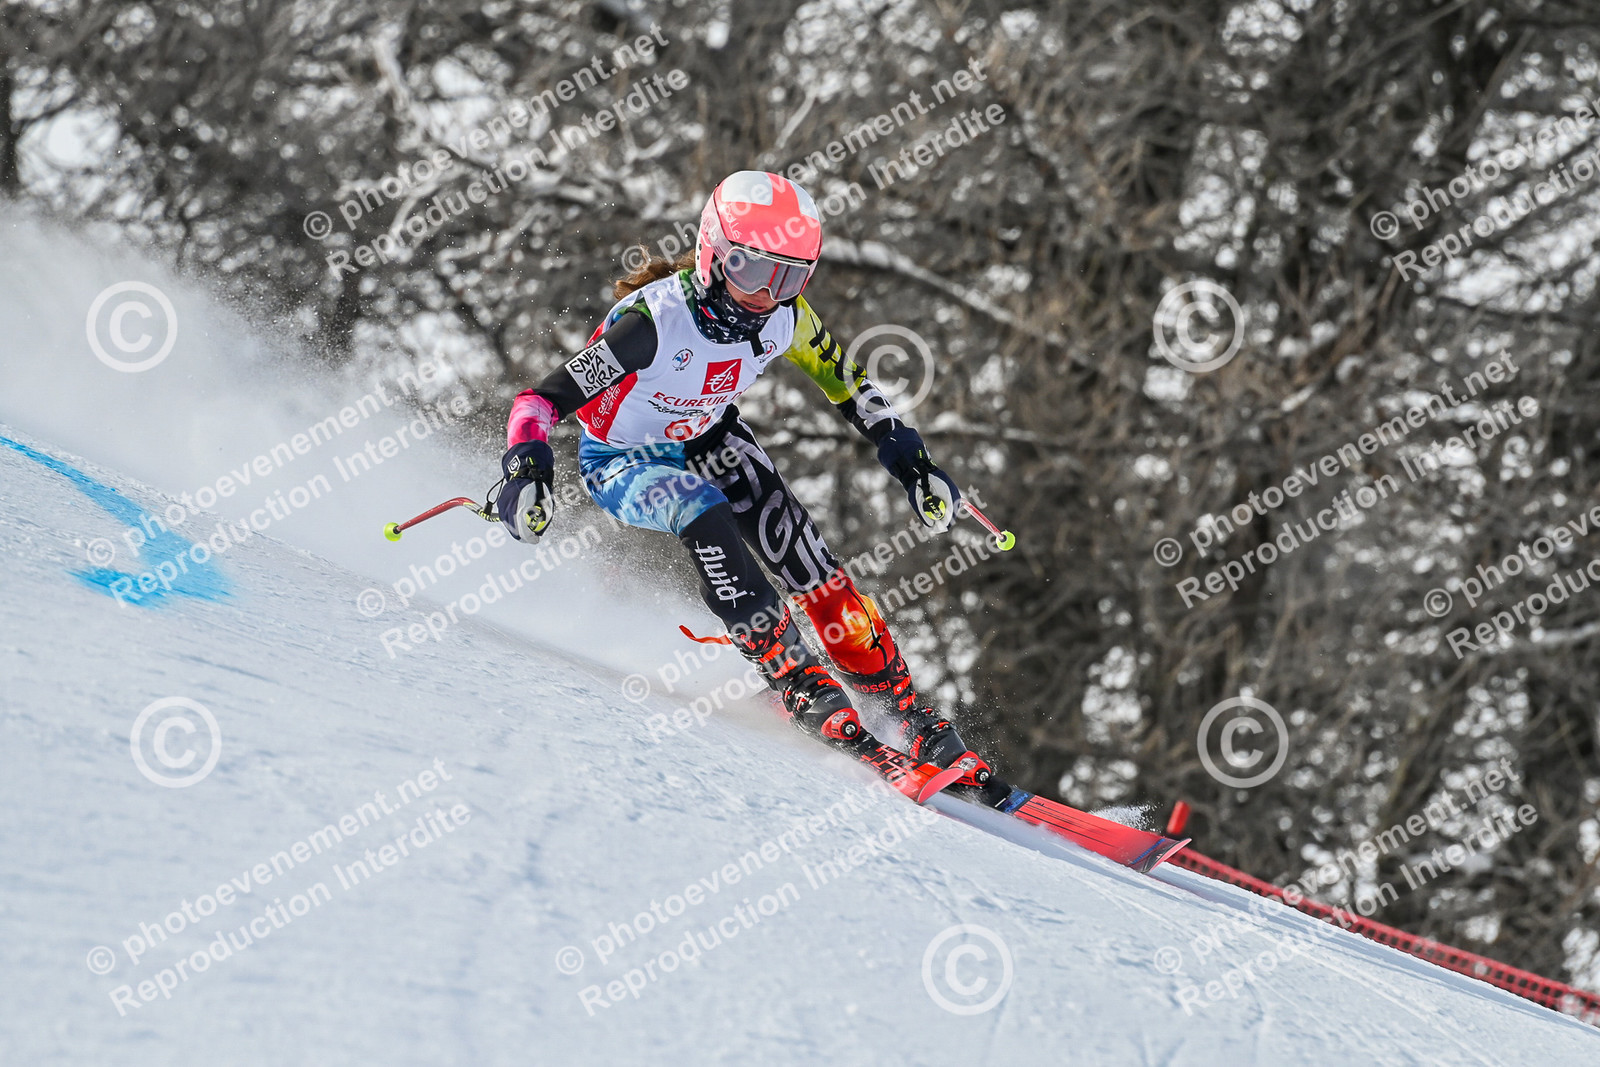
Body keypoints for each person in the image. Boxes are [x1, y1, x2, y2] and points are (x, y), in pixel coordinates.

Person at [495, 169, 997, 795]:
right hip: (622, 459)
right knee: (700, 507)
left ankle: (902, 708)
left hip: (710, 437)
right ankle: (793, 679)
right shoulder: (652, 324)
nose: (765, 295)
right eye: (752, 271)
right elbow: (540, 401)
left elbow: (849, 385)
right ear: (712, 255)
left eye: (788, 278)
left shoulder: (786, 319)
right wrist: (527, 466)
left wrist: (913, 462)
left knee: (805, 556)